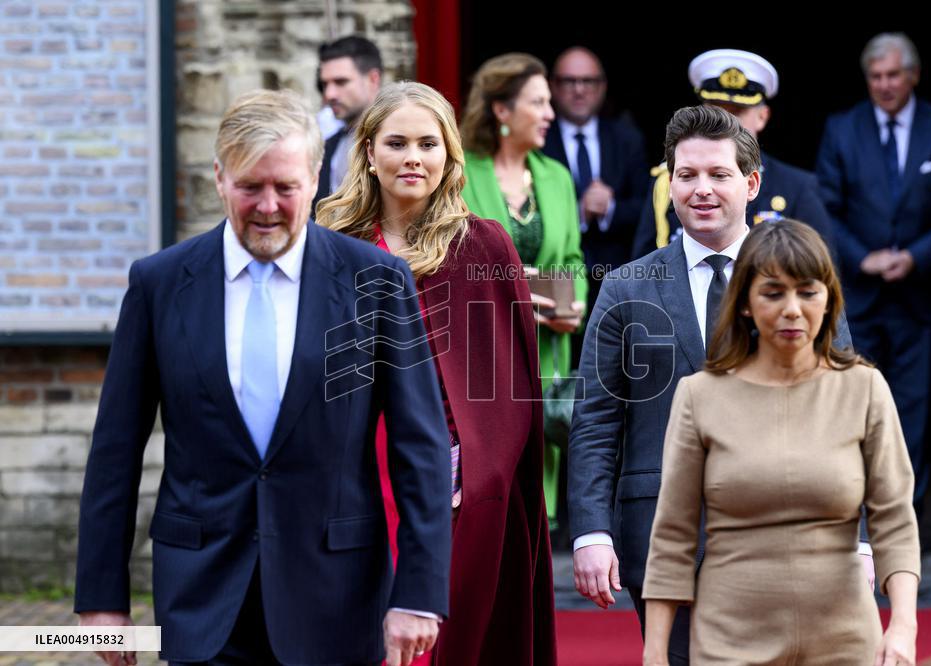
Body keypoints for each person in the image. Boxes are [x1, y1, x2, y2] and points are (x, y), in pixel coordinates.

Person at [74, 89, 452, 666]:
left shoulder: (376, 279)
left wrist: (420, 594)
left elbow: (420, 448)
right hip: (201, 597)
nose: (269, 206)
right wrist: (102, 602)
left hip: (338, 595)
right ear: (220, 178)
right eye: (251, 186)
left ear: (315, 175)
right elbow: (114, 452)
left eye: (287, 187)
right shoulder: (159, 284)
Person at [568, 105, 853, 664]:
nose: (701, 190)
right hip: (658, 533)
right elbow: (596, 421)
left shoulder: (802, 285)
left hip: (785, 529)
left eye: (718, 175)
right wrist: (591, 533)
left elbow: (844, 415)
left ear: (750, 183)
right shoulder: (627, 287)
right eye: (687, 175)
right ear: (669, 182)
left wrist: (859, 537)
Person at [318, 81, 557, 665]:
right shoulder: (328, 243)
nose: (413, 158)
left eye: (429, 143)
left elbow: (513, 382)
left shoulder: (486, 245)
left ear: (449, 154)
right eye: (397, 143)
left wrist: (482, 471)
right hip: (352, 475)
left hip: (459, 482)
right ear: (369, 153)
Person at [642, 219, 921, 665]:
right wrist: (654, 653)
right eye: (774, 293)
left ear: (829, 299)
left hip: (845, 640)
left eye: (808, 292)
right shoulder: (701, 396)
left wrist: (903, 626)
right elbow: (672, 534)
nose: (792, 309)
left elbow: (894, 519)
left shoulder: (864, 389)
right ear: (747, 303)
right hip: (729, 640)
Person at [815, 32, 931, 506]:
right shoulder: (841, 129)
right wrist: (863, 256)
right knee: (853, 408)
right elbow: (824, 207)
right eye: (875, 76)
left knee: (913, 412)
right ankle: (857, 520)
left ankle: (905, 520)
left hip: (919, 297)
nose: (884, 85)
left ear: (914, 76)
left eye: (892, 75)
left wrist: (915, 255)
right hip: (856, 298)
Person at [460, 52, 587, 529]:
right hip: (482, 350)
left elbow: (572, 258)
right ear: (501, 110)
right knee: (487, 492)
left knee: (535, 498)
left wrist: (572, 306)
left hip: (547, 351)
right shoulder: (460, 174)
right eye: (538, 102)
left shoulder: (555, 176)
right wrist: (511, 298)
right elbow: (452, 260)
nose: (551, 113)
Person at [632, 49, 834, 259]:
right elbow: (643, 268)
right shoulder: (667, 181)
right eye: (716, 110)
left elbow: (820, 270)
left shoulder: (797, 187)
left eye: (737, 112)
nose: (725, 122)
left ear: (762, 117)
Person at [542, 46, 648, 315]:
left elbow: (647, 208)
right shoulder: (537, 140)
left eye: (588, 81)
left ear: (602, 86)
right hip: (555, 278)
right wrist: (578, 211)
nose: (579, 90)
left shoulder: (627, 139)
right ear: (552, 87)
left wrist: (609, 209)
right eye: (569, 81)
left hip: (619, 276)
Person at [312, 35, 383, 214]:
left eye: (340, 82)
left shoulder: (399, 144)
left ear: (373, 79)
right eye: (324, 84)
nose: (329, 94)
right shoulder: (328, 145)